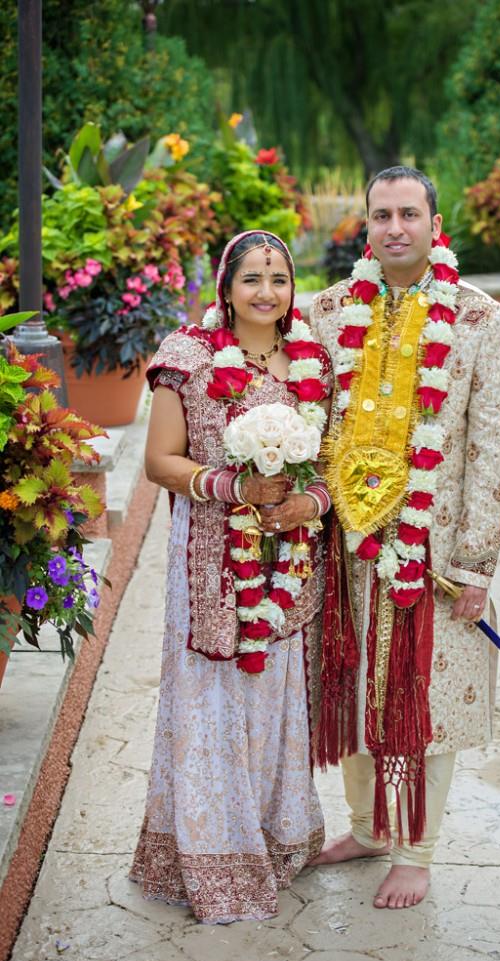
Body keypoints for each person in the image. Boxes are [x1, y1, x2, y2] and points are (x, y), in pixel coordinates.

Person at [309, 166, 500, 910]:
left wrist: (474, 563)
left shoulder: (479, 321)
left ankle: (416, 854)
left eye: (408, 214)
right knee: (354, 689)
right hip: (345, 551)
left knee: (424, 704)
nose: (394, 227)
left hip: (433, 557)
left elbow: (493, 448)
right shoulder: (329, 314)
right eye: (380, 215)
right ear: (365, 226)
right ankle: (366, 830)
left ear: (435, 223)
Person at [130, 230, 333, 923]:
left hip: (288, 557)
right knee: (212, 699)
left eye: (278, 279)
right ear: (225, 285)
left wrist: (312, 502)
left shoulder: (314, 361)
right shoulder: (186, 356)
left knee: (273, 700)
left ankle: (271, 843)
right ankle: (213, 859)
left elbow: (331, 467)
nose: (267, 292)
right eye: (252, 278)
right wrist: (232, 488)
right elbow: (160, 462)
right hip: (211, 558)